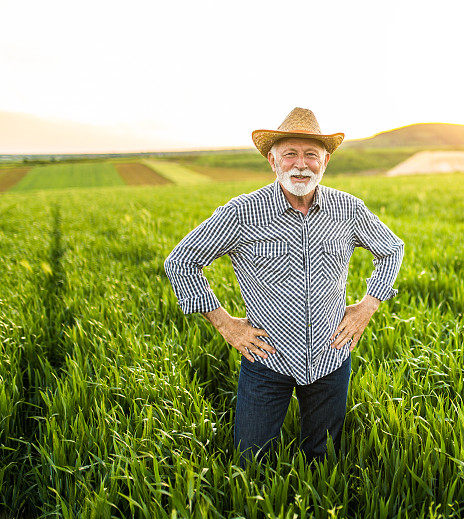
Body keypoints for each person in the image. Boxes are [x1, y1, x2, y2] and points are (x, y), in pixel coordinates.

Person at [163, 107, 404, 465]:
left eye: (311, 154)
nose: (300, 164)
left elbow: (391, 248)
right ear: (273, 162)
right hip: (267, 359)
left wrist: (367, 306)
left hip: (330, 357)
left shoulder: (348, 209)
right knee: (250, 461)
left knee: (323, 459)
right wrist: (226, 324)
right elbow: (180, 261)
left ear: (325, 162)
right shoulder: (241, 212)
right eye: (290, 153)